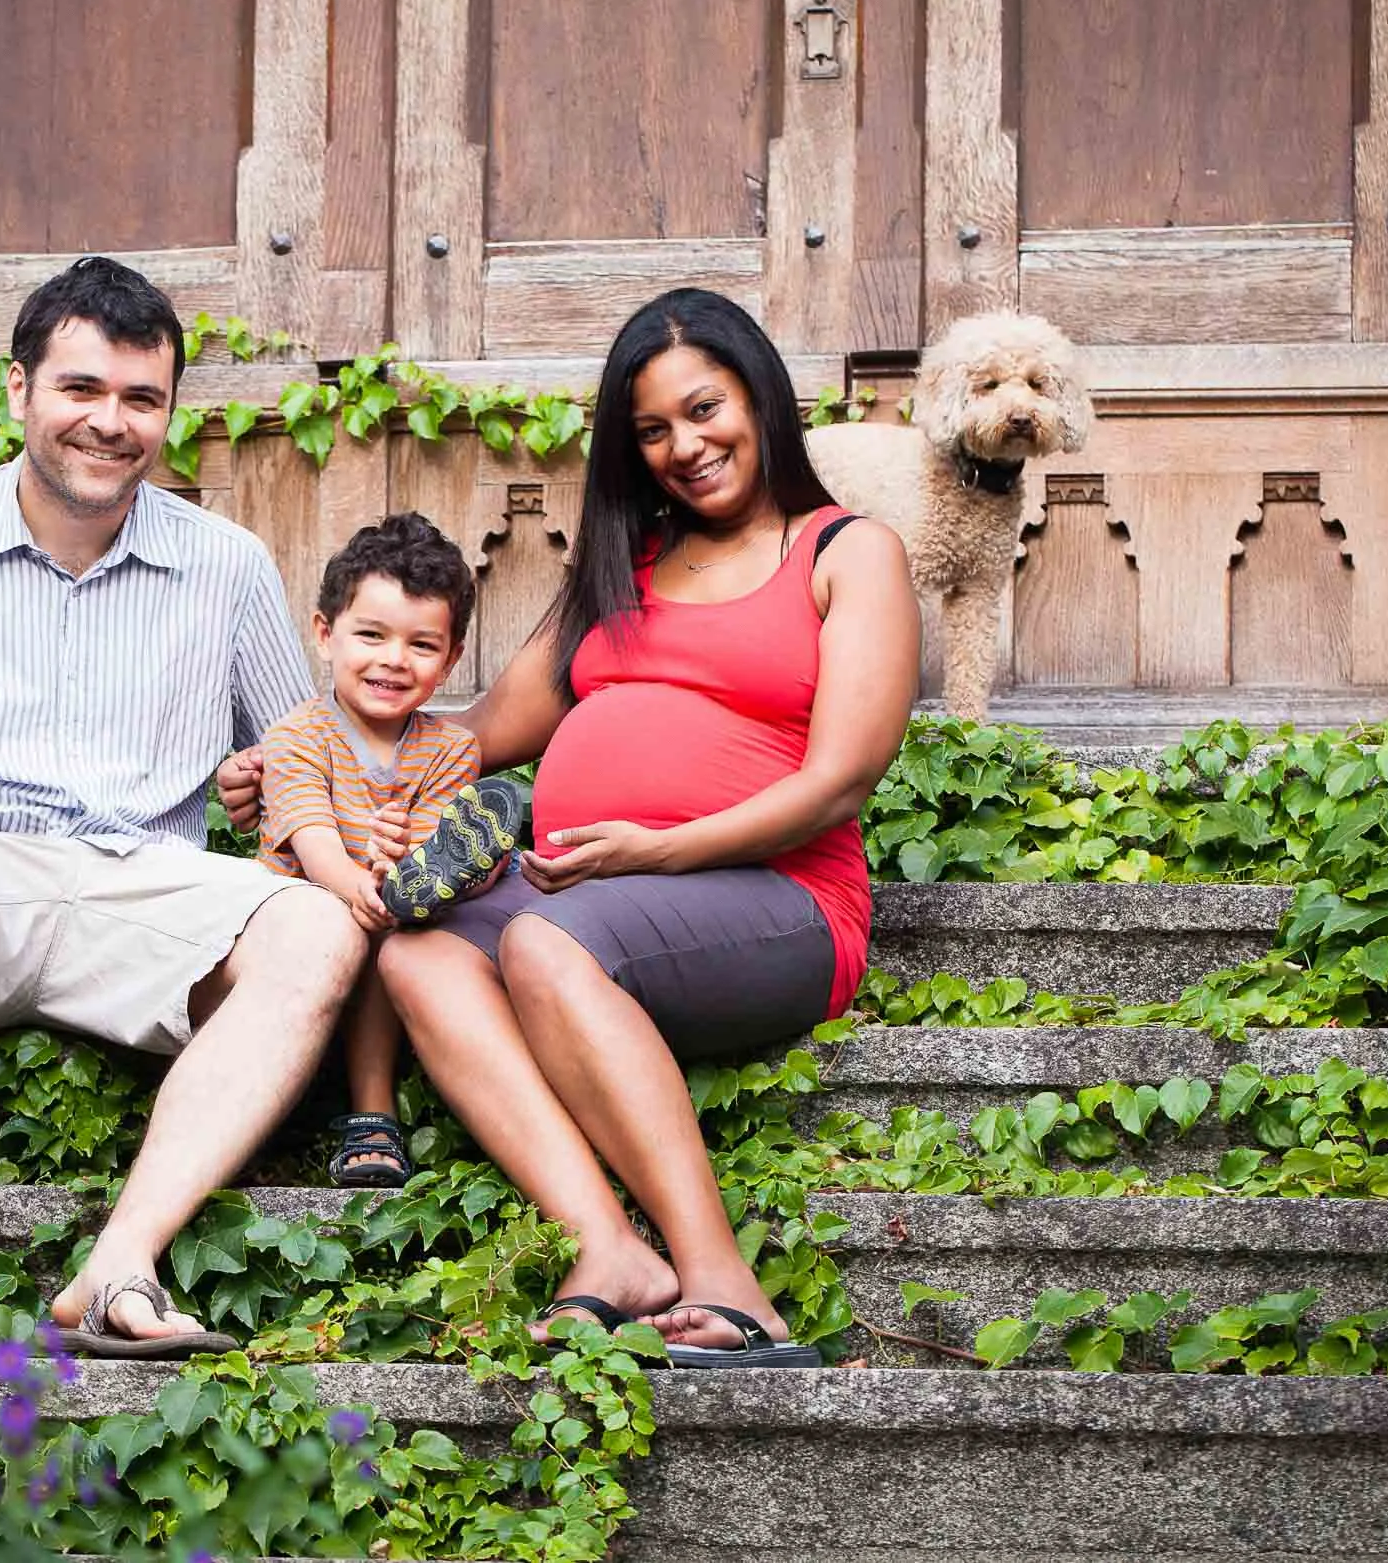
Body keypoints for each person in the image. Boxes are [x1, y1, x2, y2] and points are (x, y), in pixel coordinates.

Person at [226, 288, 917, 1367]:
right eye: (652, 430)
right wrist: (304, 768)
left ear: (759, 400)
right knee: (418, 951)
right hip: (591, 893)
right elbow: (476, 732)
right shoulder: (620, 567)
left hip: (779, 901)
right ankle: (609, 1244)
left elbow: (839, 779)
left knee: (549, 941)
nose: (684, 446)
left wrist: (660, 847)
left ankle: (728, 1279)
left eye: (704, 409)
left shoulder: (845, 550)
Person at [0, 255, 363, 1358]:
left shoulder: (225, 565)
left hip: (146, 889)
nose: (110, 422)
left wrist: (264, 792)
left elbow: (293, 757)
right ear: (17, 391)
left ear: (169, 414)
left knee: (320, 924)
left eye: (141, 399)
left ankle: (119, 1264)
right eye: (81, 389)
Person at [254, 512, 503, 1188]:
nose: (394, 658)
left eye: (422, 644)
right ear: (325, 633)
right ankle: (267, 1102)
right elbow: (312, 841)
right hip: (301, 915)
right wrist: (361, 874)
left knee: (402, 927)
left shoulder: (452, 749)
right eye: (371, 635)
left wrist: (403, 865)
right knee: (349, 917)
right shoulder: (295, 736)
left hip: (391, 925)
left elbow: (424, 848)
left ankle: (373, 1112)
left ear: (451, 659)